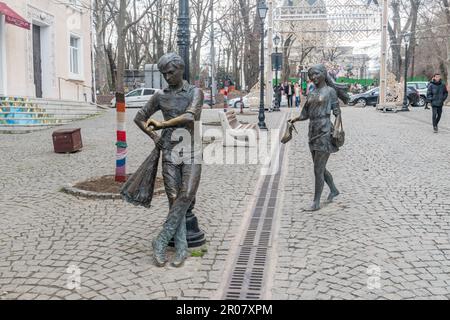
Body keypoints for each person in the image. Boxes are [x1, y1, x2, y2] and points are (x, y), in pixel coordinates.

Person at [134, 52, 204, 267]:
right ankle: (181, 247)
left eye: (170, 73)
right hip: (170, 153)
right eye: (164, 74)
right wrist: (155, 137)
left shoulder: (195, 92)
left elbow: (191, 116)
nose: (167, 77)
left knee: (186, 196)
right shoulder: (160, 96)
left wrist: (162, 125)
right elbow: (139, 118)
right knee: (174, 199)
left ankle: (161, 239)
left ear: (181, 69)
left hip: (191, 151)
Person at [287, 64, 349, 211]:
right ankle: (333, 190)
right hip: (313, 131)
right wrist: (294, 119)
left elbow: (337, 112)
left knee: (317, 169)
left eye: (316, 74)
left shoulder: (330, 91)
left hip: (325, 130)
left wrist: (336, 129)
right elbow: (305, 114)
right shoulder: (311, 92)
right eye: (311, 76)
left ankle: (316, 202)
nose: (313, 78)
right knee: (320, 167)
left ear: (323, 74)